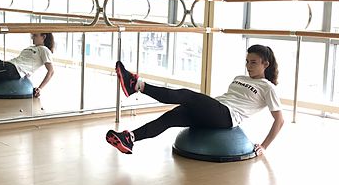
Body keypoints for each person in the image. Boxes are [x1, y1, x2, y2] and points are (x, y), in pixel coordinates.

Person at [106, 44, 284, 155]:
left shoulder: (268, 87)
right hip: (215, 109)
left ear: (265, 64)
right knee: (171, 117)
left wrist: (265, 146)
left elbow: (279, 120)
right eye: (247, 61)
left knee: (186, 95)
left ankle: (137, 85)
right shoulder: (240, 77)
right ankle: (131, 138)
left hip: (227, 116)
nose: (248, 66)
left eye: (253, 62)